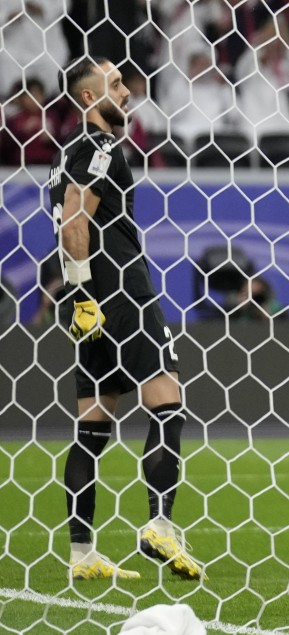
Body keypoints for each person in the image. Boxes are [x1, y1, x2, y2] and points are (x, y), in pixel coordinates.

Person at [48, 56, 204, 581]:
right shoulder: (102, 146)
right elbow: (75, 221)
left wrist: (78, 301)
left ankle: (82, 552)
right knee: (167, 403)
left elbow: (67, 221)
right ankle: (160, 524)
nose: (127, 90)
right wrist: (85, 295)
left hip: (90, 306)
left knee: (92, 426)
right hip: (121, 296)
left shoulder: (63, 154)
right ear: (89, 98)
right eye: (114, 84)